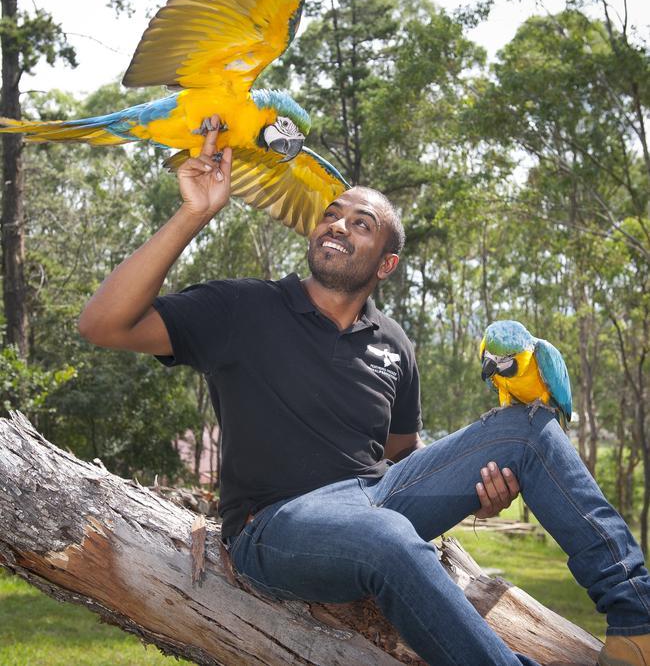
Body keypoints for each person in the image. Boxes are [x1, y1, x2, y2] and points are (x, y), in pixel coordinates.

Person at [79, 120, 650, 666]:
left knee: (525, 427)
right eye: (332, 215)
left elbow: (404, 454)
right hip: (274, 526)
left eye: (361, 223)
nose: (337, 225)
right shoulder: (243, 307)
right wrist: (193, 212)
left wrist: (476, 490)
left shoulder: (395, 343)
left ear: (387, 263)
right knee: (386, 536)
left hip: (379, 497)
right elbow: (102, 324)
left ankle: (636, 624)